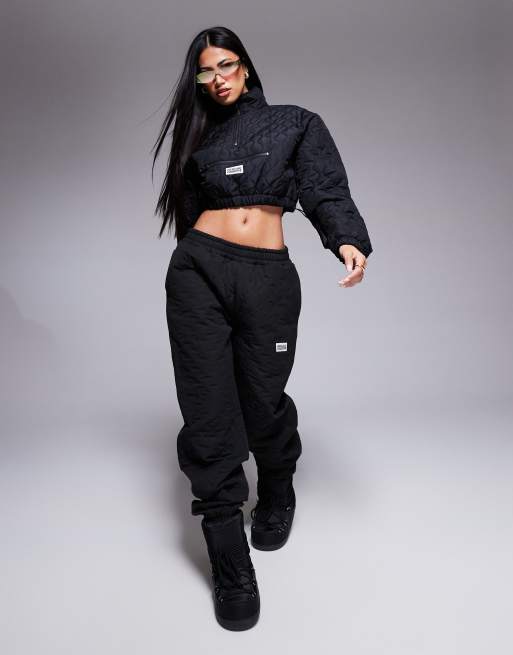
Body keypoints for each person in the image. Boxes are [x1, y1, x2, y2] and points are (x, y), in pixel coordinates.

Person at [151, 26, 373, 631]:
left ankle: (277, 479)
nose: (217, 78)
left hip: (267, 278)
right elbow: (190, 213)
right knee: (207, 409)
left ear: (245, 66)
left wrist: (347, 239)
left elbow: (324, 188)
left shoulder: (296, 123)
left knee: (261, 400)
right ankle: (229, 555)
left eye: (226, 64)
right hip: (198, 272)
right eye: (206, 71)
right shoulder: (198, 140)